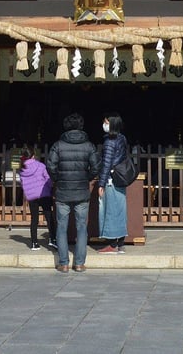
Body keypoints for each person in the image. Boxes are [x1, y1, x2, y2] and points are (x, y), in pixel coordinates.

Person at [46, 112, 99, 273]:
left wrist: (57, 179)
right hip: (82, 191)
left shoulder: (58, 145)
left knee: (61, 227)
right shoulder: (89, 146)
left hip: (62, 191)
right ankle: (79, 263)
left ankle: (63, 263)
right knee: (82, 227)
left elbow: (50, 166)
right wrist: (86, 178)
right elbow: (96, 167)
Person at [96, 113, 129, 253]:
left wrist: (101, 184)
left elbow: (106, 164)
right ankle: (120, 243)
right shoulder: (122, 138)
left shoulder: (109, 142)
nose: (104, 125)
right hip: (120, 179)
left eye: (106, 122)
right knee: (120, 210)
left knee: (109, 210)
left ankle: (112, 243)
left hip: (111, 180)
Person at [17, 148, 56, 250]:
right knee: (49, 217)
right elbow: (48, 179)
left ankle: (34, 243)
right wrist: (50, 189)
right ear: (33, 156)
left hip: (32, 196)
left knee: (34, 219)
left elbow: (22, 183)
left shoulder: (22, 169)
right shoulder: (41, 166)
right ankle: (53, 239)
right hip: (44, 194)